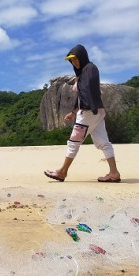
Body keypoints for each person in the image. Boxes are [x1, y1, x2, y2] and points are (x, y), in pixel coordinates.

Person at [44, 44, 121, 182]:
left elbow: (88, 89)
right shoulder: (83, 73)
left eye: (75, 59)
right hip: (94, 112)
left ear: (82, 57)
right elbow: (82, 95)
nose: (74, 62)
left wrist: (88, 108)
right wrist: (73, 112)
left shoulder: (90, 69)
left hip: (89, 112)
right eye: (71, 60)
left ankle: (62, 172)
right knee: (104, 143)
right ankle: (114, 173)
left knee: (74, 142)